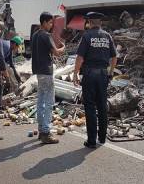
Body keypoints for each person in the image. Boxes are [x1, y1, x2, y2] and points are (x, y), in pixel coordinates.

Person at [73, 12, 117, 149]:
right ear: (101, 23)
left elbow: (80, 57)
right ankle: (102, 138)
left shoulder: (86, 36)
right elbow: (114, 57)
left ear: (90, 22)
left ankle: (92, 141)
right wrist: (110, 73)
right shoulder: (107, 36)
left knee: (90, 107)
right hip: (103, 75)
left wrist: (75, 73)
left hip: (90, 75)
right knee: (102, 106)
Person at [31, 12, 65, 144]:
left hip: (39, 72)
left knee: (40, 101)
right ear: (44, 22)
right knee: (49, 102)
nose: (51, 26)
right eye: (50, 23)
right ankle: (45, 131)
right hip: (46, 71)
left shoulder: (35, 35)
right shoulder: (46, 35)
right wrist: (63, 48)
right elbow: (56, 52)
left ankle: (41, 129)